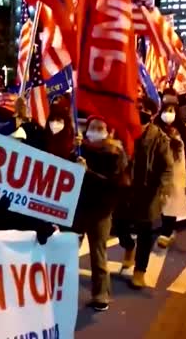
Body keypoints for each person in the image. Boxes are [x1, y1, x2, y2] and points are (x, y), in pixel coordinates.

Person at [118, 97, 173, 289]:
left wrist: (164, 188)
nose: (138, 112)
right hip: (125, 190)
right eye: (136, 108)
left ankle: (140, 271)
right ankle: (128, 246)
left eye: (142, 109)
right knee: (119, 225)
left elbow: (167, 167)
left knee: (145, 232)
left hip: (148, 191)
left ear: (151, 114)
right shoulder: (123, 133)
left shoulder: (159, 139)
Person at [75, 115, 129, 311]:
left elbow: (114, 184)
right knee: (68, 251)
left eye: (100, 127)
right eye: (93, 127)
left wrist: (87, 172)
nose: (95, 131)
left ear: (109, 131)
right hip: (79, 209)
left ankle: (101, 295)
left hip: (101, 211)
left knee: (98, 255)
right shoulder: (81, 148)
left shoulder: (116, 154)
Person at [154, 102, 186, 248]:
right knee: (160, 202)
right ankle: (164, 228)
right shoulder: (155, 129)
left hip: (177, 172)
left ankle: (166, 232)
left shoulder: (183, 130)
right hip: (158, 172)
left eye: (171, 111)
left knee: (172, 202)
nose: (168, 114)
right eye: (165, 110)